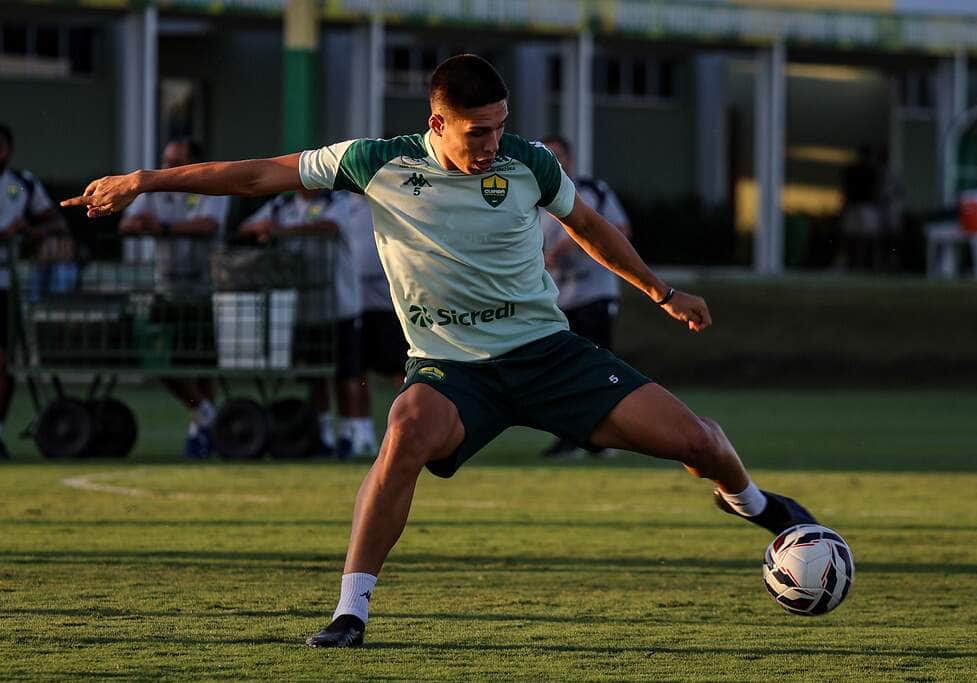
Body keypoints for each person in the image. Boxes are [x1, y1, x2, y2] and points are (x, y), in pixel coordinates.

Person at [63, 54, 820, 648]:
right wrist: (144, 180)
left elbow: (589, 226)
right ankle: (351, 610)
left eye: (499, 127)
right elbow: (261, 172)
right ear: (437, 120)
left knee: (702, 442)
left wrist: (662, 292)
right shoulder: (377, 162)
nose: (492, 144)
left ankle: (759, 508)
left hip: (550, 354)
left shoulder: (529, 163)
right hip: (452, 369)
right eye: (476, 132)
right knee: (403, 432)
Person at [118, 139, 229, 459]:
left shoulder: (211, 186)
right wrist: (140, 223)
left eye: (176, 162)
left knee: (202, 364)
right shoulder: (156, 191)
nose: (168, 168)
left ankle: (202, 429)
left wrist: (163, 227)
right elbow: (129, 221)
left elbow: (208, 224)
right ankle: (207, 414)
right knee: (161, 361)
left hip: (204, 288)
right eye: (166, 161)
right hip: (165, 288)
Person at [238, 188, 362, 458]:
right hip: (305, 308)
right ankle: (323, 435)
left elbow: (329, 226)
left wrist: (280, 231)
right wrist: (262, 227)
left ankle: (351, 434)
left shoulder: (337, 201)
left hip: (339, 303)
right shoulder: (281, 204)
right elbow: (246, 227)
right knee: (315, 376)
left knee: (345, 374)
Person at [538, 134, 631, 459]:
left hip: (594, 292)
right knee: (560, 371)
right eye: (547, 156)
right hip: (557, 300)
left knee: (600, 367)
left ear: (570, 160)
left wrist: (579, 240)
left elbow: (620, 230)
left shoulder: (592, 191)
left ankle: (605, 438)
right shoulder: (530, 198)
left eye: (558, 156)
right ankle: (571, 437)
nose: (554, 162)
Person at [0, 124, 74, 460]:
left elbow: (56, 222)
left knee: (6, 365)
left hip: (8, 287)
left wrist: (29, 232)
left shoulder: (22, 184)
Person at [342, 189, 408, 458]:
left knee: (402, 370)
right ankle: (363, 433)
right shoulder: (342, 203)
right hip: (355, 302)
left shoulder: (390, 195)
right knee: (358, 371)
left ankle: (408, 428)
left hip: (390, 302)